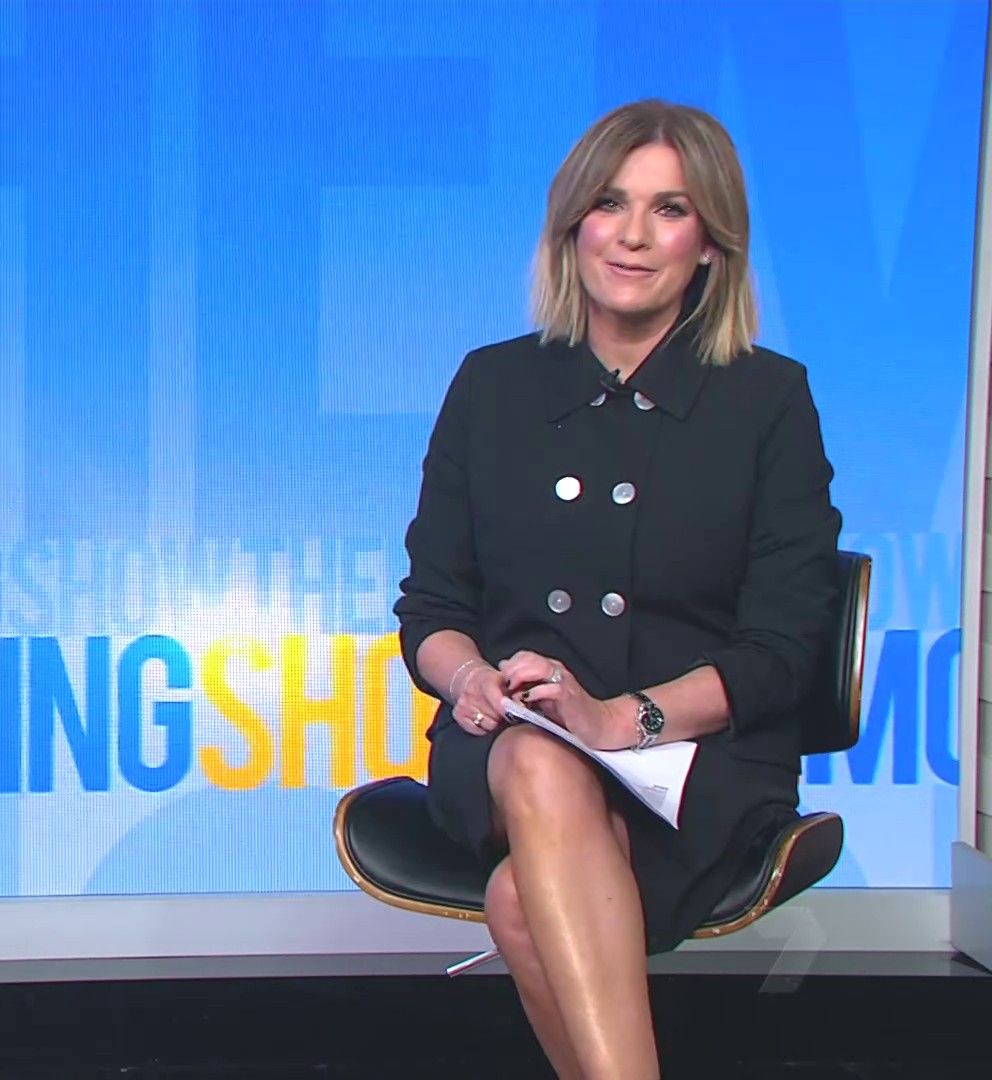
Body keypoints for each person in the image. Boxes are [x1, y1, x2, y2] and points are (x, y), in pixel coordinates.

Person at [394, 99, 841, 1079]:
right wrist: (469, 680)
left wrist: (616, 720)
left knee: (520, 902)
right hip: (506, 752)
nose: (632, 235)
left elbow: (782, 653)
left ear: (711, 244)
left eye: (669, 209)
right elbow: (432, 611)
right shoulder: (491, 387)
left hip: (694, 760)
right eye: (609, 203)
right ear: (572, 227)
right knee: (536, 761)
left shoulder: (767, 400)